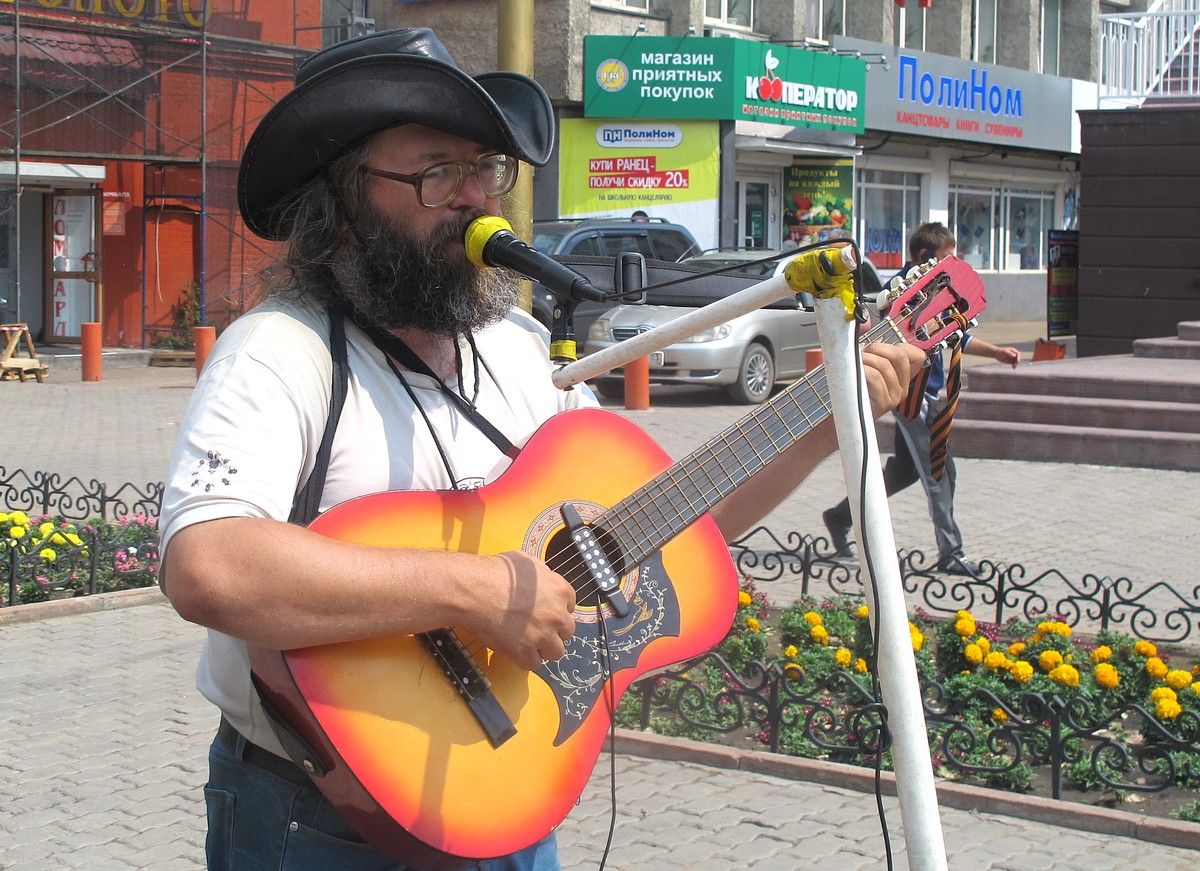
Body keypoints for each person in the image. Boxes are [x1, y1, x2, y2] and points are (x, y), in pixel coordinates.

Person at [157, 28, 924, 870]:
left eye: (485, 169)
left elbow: (665, 528)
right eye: (437, 171)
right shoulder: (280, 351)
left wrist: (821, 426)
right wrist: (475, 587)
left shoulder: (516, 347)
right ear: (340, 199)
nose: (474, 198)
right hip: (320, 817)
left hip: (510, 794)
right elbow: (208, 564)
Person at [822, 222, 1020, 578]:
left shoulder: (937, 290)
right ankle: (951, 552)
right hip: (912, 396)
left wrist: (997, 353)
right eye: (947, 257)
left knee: (905, 472)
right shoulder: (902, 294)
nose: (954, 264)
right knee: (941, 471)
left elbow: (955, 333)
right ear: (926, 257)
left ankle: (839, 517)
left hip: (927, 395)